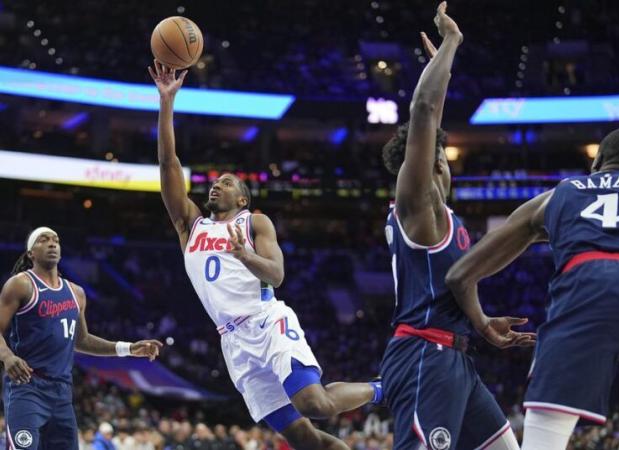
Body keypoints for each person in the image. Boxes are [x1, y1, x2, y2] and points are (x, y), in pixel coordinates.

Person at [148, 61, 380, 450]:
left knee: (314, 403)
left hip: (266, 321)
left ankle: (382, 388)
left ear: (241, 197)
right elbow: (168, 163)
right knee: (306, 440)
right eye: (214, 182)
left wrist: (244, 256)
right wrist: (167, 101)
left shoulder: (255, 222)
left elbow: (276, 275)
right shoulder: (191, 226)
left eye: (227, 182)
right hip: (233, 343)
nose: (216, 185)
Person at [446, 127, 619, 450]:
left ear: (598, 162)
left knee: (543, 442)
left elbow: (459, 276)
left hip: (586, 282)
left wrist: (481, 321)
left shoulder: (560, 193)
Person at [379, 3, 533, 449]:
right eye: (431, 163)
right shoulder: (416, 207)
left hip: (458, 358)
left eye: (443, 164)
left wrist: (482, 324)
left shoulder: (451, 219)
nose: (440, 172)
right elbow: (425, 108)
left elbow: (456, 284)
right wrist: (450, 45)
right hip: (424, 353)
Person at [0, 227, 162, 450]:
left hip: (61, 393)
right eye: (43, 240)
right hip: (27, 388)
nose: (52, 244)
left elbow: (81, 340)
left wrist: (128, 348)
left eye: (55, 240)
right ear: (30, 254)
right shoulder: (21, 285)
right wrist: (7, 356)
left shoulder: (76, 293)